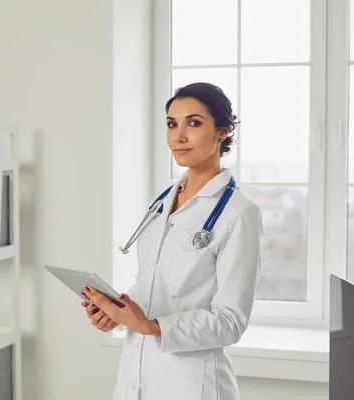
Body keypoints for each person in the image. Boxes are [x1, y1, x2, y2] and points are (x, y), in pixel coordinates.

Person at [82, 82, 263, 400]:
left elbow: (230, 322)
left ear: (222, 131)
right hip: (135, 376)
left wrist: (151, 326)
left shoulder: (239, 213)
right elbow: (154, 287)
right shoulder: (164, 201)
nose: (178, 136)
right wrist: (118, 315)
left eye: (193, 123)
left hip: (193, 385)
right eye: (171, 124)